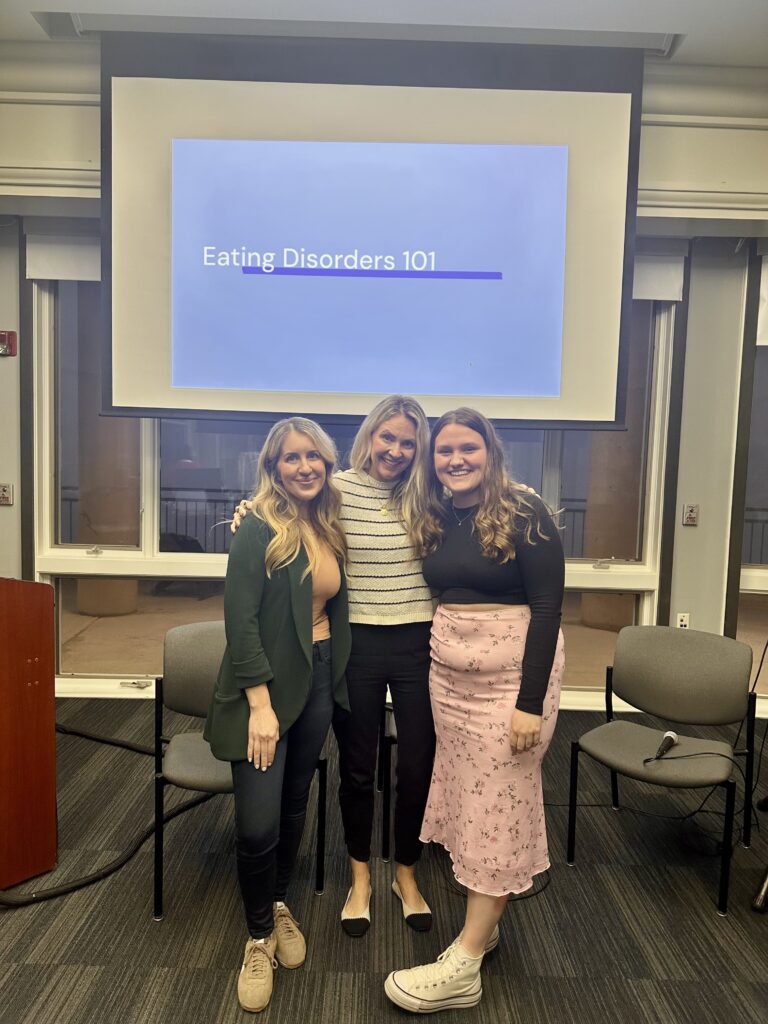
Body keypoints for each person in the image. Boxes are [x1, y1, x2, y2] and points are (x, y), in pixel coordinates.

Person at [233, 395, 436, 937]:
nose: (395, 449)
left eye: (408, 442)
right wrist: (246, 517)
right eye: (386, 437)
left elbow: (483, 493)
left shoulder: (428, 493)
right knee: (358, 767)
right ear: (368, 436)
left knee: (417, 764)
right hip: (357, 644)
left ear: (420, 450)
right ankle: (361, 877)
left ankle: (407, 874)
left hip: (419, 642)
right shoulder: (335, 488)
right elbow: (281, 512)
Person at [384, 407, 565, 1014]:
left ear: (490, 452)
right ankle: (484, 929)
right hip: (450, 684)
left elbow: (547, 607)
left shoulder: (523, 509)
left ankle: (463, 966)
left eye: (468, 449)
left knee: (498, 802)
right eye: (443, 451)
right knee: (469, 797)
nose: (455, 460)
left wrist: (529, 704)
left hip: (511, 686)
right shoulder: (436, 513)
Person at [205, 417, 350, 1014]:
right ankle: (257, 935)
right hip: (262, 689)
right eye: (292, 458)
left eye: (314, 456)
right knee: (258, 822)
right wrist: (259, 706)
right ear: (273, 467)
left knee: (295, 802)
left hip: (316, 677)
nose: (305, 467)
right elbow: (239, 623)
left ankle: (280, 903)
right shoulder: (257, 527)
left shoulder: (329, 524)